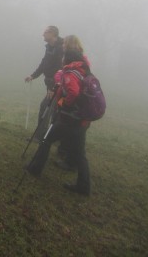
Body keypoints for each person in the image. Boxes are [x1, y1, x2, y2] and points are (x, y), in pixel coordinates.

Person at [26, 36, 92, 196]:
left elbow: (73, 92)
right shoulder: (84, 68)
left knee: (47, 139)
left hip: (70, 117)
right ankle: (84, 186)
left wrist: (65, 104)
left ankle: (35, 168)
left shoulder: (70, 72)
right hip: (83, 118)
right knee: (80, 153)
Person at [25, 26, 64, 141]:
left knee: (45, 107)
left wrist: (54, 87)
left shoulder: (60, 49)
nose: (43, 35)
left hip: (57, 86)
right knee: (56, 111)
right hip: (50, 85)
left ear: (52, 34)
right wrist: (33, 76)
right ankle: (55, 138)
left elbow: (61, 70)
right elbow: (44, 63)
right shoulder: (50, 47)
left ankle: (41, 136)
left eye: (45, 32)